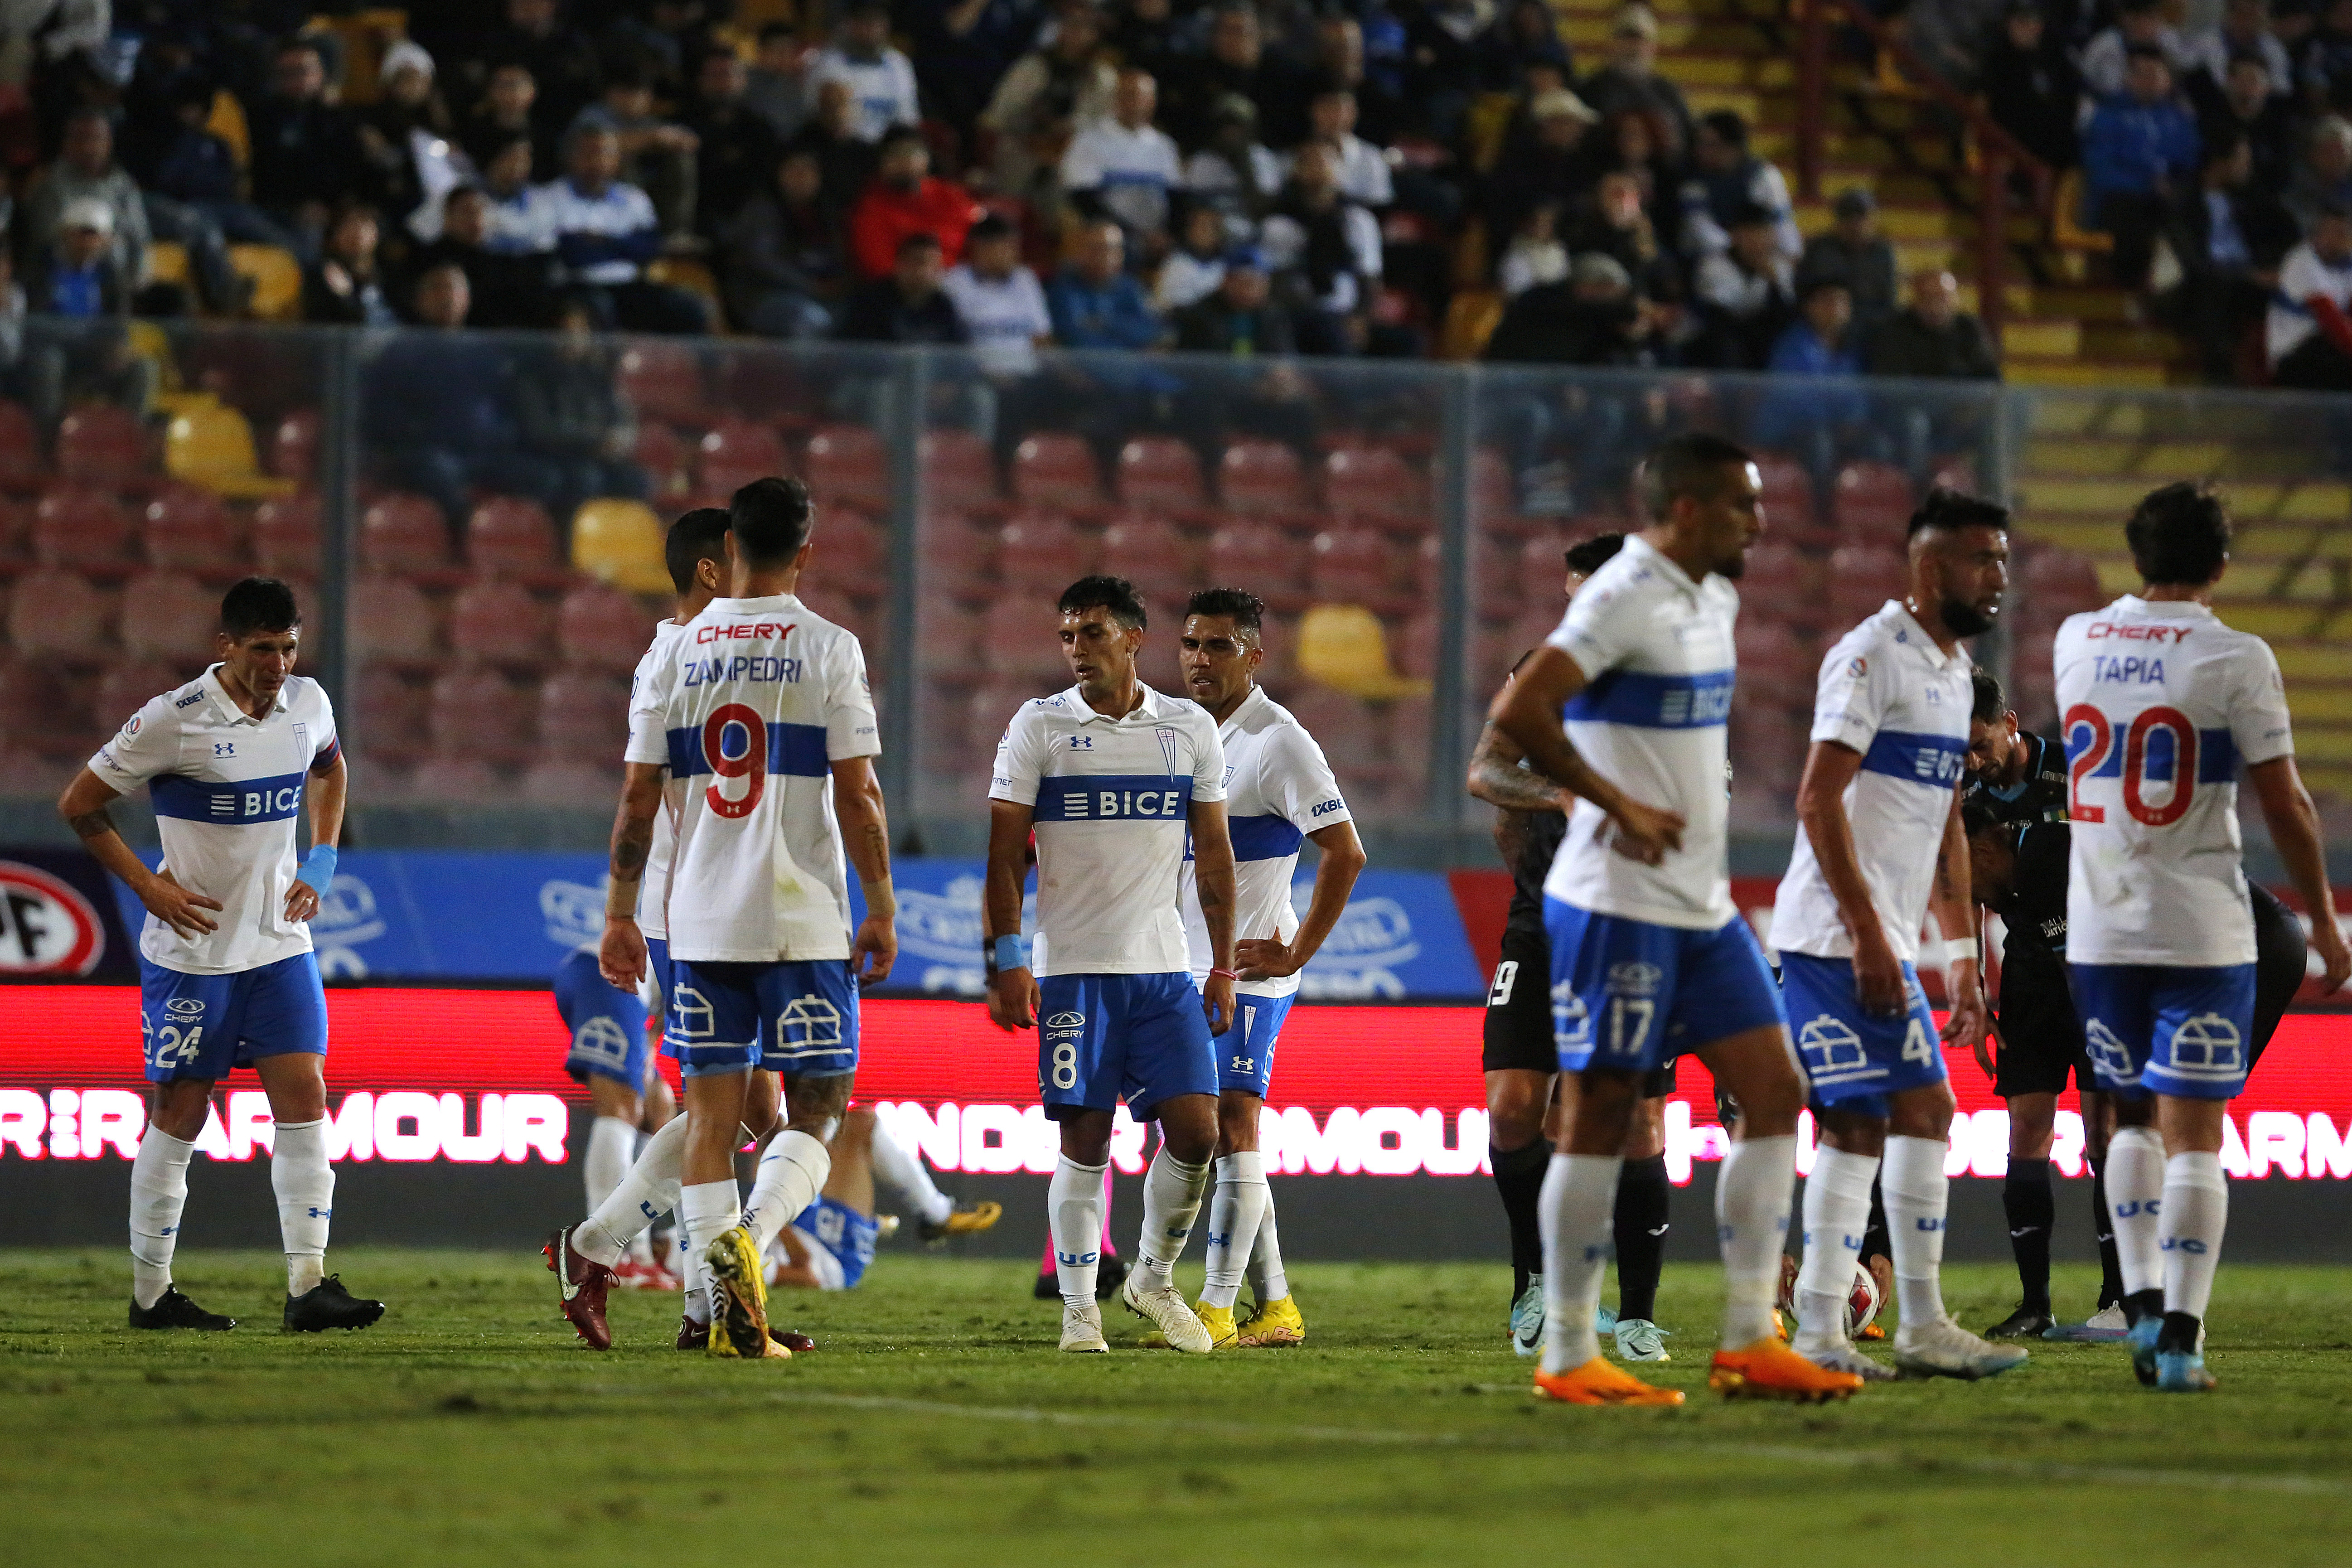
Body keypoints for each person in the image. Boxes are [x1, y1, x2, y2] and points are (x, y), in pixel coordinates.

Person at [1488, 434, 1863, 1407]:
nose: (1763, 520)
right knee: (1603, 1115)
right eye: (1745, 504)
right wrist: (1610, 802)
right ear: (1690, 510)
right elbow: (1523, 716)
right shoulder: (1623, 596)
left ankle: (1746, 1338)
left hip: (1702, 905)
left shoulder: (1716, 596)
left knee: (1776, 1092)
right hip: (1615, 901)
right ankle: (1570, 1349)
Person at [2053, 483, 2351, 1391]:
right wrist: (2328, 925)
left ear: (2135, 556)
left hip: (2101, 927)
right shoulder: (2236, 656)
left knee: (2126, 1116)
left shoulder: (2077, 640)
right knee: (2196, 1132)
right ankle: (2179, 1336)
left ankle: (2139, 1303)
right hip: (2201, 927)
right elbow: (2286, 800)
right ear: (2223, 563)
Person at [593, 477, 900, 1359]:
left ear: (731, 553)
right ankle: (749, 1245)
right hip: (799, 919)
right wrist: (879, 905)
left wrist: (621, 913)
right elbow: (860, 790)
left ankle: (715, 1312)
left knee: (712, 1115)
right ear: (804, 552)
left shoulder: (678, 653)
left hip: (696, 921)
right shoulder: (829, 646)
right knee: (818, 1103)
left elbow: (637, 798)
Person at [57, 577, 383, 1334]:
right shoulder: (173, 721)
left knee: (306, 1098)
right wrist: (147, 886)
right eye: (264, 649)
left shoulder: (309, 705)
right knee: (179, 1112)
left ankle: (309, 1289)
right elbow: (80, 804)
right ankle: (151, 1297)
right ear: (226, 647)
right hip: (194, 952)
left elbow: (330, 770)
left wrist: (324, 859)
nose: (278, 663)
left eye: (290, 647)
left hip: (279, 942)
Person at [1771, 488, 2014, 1383]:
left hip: (1884, 941)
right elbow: (1815, 795)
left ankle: (1921, 1325)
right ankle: (1821, 1333)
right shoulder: (1871, 656)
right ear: (1928, 565)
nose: (1998, 578)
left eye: (2002, 559)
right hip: (1830, 941)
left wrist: (1960, 958)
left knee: (1925, 1110)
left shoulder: (1954, 673)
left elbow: (1947, 820)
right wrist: (1872, 933)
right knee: (1855, 1121)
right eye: (1981, 559)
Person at [982, 574, 1238, 1355]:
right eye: (1066, 636)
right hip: (1072, 971)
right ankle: (1079, 1308)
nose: (1075, 649)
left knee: (1200, 1133)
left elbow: (1216, 856)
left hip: (1164, 971)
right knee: (1085, 1141)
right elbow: (1003, 858)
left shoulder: (1188, 728)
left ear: (1133, 637)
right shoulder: (1039, 727)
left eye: (1091, 633)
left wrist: (1222, 967)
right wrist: (1007, 958)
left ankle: (1152, 1278)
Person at [1469, 533, 1684, 1365]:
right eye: (1574, 594)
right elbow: (1487, 773)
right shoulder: (1544, 676)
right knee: (1513, 1106)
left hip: (1640, 922)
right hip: (1544, 922)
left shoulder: (1676, 681)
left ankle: (1636, 1314)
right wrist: (1560, 793)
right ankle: (1533, 1283)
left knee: (1639, 1123)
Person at [1164, 589, 1368, 1350]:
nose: (1199, 659)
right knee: (1213, 1135)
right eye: (1190, 644)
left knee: (1234, 1122)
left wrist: (1296, 952)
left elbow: (1346, 853)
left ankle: (1216, 1307)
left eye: (1218, 646)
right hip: (1183, 963)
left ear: (1254, 655)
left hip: (1251, 964)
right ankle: (1274, 1305)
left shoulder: (1278, 741)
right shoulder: (1176, 730)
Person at [1960, 671, 2101, 1341]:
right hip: (2028, 973)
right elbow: (1958, 887)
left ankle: (2119, 1297)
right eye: (1962, 750)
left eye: (1980, 744)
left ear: (2010, 723)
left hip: (2099, 968)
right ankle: (2034, 1303)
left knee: (2107, 1135)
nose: (1974, 760)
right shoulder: (1962, 794)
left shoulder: (2076, 771)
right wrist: (1980, 994)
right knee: (2025, 1129)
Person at [550, 931, 680, 1290]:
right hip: (608, 975)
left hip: (618, 988)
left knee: (659, 1107)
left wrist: (649, 1057)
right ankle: (608, 1254)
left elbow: (666, 1018)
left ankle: (638, 1254)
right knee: (621, 1108)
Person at [763, 1106, 1005, 1290]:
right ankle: (938, 1213)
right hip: (832, 1251)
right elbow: (808, 1274)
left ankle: (938, 1213)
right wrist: (773, 1219)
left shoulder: (727, 1244)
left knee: (771, 1121)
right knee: (862, 1123)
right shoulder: (734, 1268)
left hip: (794, 1219)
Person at [547, 124, 711, 334]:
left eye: (604, 153)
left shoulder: (634, 199)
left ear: (617, 159)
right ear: (571, 158)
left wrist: (602, 242)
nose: (597, 161)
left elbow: (648, 249)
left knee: (691, 308)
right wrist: (622, 244)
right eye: (588, 153)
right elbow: (571, 254)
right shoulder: (551, 198)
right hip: (578, 286)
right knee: (595, 310)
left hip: (629, 286)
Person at [2162, 129, 2297, 381]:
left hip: (2250, 283)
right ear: (2219, 163)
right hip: (2201, 287)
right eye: (2242, 159)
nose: (2248, 166)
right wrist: (2246, 275)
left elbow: (2278, 242)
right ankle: (2220, 381)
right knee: (2216, 291)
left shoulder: (2249, 201)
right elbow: (2193, 262)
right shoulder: (2183, 204)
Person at [2081, 47, 2202, 289]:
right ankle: (2132, 289)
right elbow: (2101, 168)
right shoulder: (2108, 115)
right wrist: (2148, 184)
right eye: (2142, 74)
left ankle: (2190, 282)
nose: (2150, 81)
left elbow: (2191, 163)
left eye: (2157, 74)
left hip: (2169, 197)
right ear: (2129, 78)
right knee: (2133, 212)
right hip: (2123, 197)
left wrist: (2173, 184)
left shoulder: (2180, 119)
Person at [982, 0, 1119, 207]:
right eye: (1071, 25)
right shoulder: (1032, 66)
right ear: (1059, 29)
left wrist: (1067, 132)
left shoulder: (1102, 77)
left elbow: (1104, 128)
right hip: (1024, 146)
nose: (1076, 33)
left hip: (1072, 154)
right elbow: (994, 118)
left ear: (1095, 34)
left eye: (1085, 27)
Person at [247, 38, 365, 250]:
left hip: (327, 213)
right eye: (286, 73)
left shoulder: (340, 119)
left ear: (321, 74)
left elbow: (352, 170)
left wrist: (333, 208)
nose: (295, 80)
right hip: (273, 211)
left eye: (303, 71)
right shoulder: (263, 118)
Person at [725, 148, 851, 339]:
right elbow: (762, 261)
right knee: (810, 320)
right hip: (766, 294)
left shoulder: (826, 213)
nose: (802, 177)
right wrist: (811, 285)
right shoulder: (762, 210)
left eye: (809, 171)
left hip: (823, 296)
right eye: (795, 170)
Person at [1059, 68, 1184, 256]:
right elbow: (1083, 200)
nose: (1134, 103)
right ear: (1115, 99)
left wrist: (1167, 234)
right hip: (1111, 238)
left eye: (1141, 97)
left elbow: (1177, 198)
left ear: (1152, 102)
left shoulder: (1165, 146)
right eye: (1127, 95)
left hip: (1158, 237)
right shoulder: (1089, 140)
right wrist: (1133, 234)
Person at [407, 182, 558, 330]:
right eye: (467, 211)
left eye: (480, 211)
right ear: (448, 217)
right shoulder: (425, 260)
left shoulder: (497, 262)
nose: (476, 218)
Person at [849, 125, 983, 282]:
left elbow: (982, 239)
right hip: (913, 290)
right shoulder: (870, 208)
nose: (907, 161)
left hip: (971, 282)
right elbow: (879, 267)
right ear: (882, 163)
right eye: (896, 155)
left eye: (913, 153)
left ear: (927, 159)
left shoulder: (949, 194)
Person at [1679, 109, 1801, 261]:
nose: (1701, 151)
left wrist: (1791, 254)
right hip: (1716, 258)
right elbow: (1701, 233)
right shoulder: (1693, 182)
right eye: (1699, 144)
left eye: (1711, 145)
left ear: (1733, 147)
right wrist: (1742, 247)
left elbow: (1783, 223)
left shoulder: (1762, 175)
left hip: (1762, 253)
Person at [1578, 4, 1694, 163]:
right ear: (1613, 43)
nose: (1633, 47)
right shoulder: (1592, 88)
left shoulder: (1667, 91)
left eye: (1640, 40)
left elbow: (1686, 137)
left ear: (1652, 47)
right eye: (1626, 38)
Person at [944, 213, 1052, 379]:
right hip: (975, 377)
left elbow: (1041, 336)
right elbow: (951, 345)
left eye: (1015, 247)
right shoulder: (954, 283)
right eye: (1007, 247)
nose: (1015, 254)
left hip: (1027, 379)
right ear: (981, 248)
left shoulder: (1025, 279)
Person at [1981, 3, 2081, 174]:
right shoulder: (1997, 61)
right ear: (2008, 25)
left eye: (2033, 22)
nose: (2027, 29)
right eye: (2020, 22)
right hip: (2012, 150)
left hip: (2054, 152)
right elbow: (1998, 111)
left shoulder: (2057, 59)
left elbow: (2069, 103)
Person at [808, 0, 923, 144]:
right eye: (865, 22)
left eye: (877, 22)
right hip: (845, 146)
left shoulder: (898, 63)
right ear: (850, 24)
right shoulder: (829, 63)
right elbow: (817, 116)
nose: (871, 29)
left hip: (889, 148)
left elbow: (908, 117)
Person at [2264, 203, 2352, 389]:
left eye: (2343, 232)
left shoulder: (2348, 264)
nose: (2336, 238)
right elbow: (2334, 325)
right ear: (2315, 234)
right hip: (2293, 354)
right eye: (2330, 232)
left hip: (2328, 347)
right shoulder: (2302, 263)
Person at [1796, 188, 1897, 345]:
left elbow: (1887, 303)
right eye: (1849, 218)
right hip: (1821, 328)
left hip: (1869, 330)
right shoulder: (1819, 249)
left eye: (1861, 218)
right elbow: (1804, 295)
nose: (1856, 225)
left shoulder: (1883, 253)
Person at [838, 231, 970, 345]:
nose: (927, 271)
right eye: (919, 262)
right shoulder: (869, 302)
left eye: (935, 265)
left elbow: (957, 350)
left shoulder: (942, 305)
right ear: (900, 263)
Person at [301, 204, 398, 326]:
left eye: (363, 224)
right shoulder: (323, 276)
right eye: (347, 226)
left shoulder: (392, 276)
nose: (356, 232)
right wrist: (345, 297)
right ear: (333, 239)